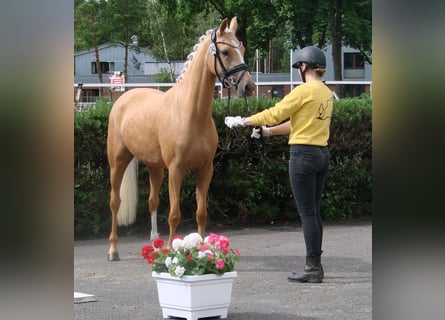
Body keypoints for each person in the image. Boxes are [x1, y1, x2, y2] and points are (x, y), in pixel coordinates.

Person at [236, 46, 333, 283]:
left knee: (307, 213)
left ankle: (312, 268)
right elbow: (296, 124)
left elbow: (276, 112)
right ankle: (315, 265)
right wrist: (267, 133)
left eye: (299, 66)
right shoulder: (326, 93)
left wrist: (245, 121)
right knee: (314, 212)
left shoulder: (303, 91)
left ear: (304, 66)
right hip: (321, 154)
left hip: (303, 156)